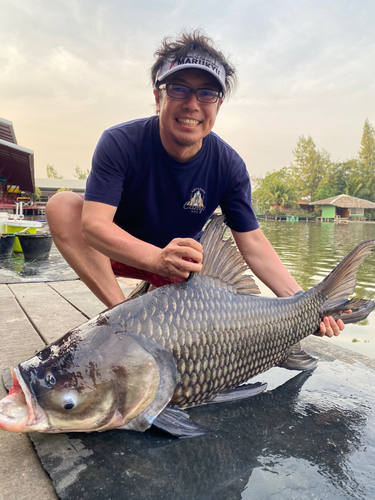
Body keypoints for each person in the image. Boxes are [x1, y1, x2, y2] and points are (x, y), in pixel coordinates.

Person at [46, 29, 344, 338]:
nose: (192, 104)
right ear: (157, 96)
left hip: (181, 269)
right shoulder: (120, 142)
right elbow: (93, 225)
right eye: (178, 89)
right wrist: (155, 258)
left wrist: (304, 302)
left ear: (218, 104)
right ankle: (125, 321)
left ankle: (149, 309)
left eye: (206, 93)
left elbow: (253, 244)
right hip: (121, 253)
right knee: (62, 205)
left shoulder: (228, 164)